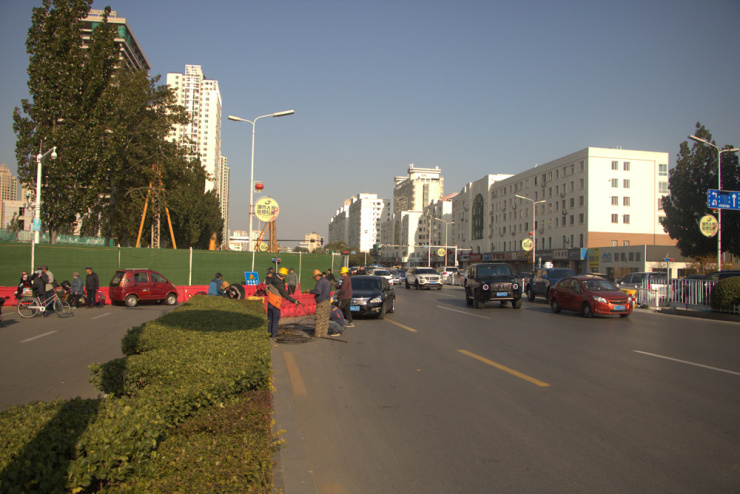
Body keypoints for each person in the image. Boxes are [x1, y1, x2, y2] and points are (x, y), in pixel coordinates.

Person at [267, 267, 301, 338]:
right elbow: (285, 294)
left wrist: (286, 270)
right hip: (275, 303)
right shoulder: (280, 283)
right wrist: (294, 301)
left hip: (270, 302)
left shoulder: (274, 278)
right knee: (276, 318)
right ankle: (274, 334)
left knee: (270, 318)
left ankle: (269, 332)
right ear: (283, 276)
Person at [308, 269, 332, 337]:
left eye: (315, 277)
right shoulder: (327, 281)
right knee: (325, 319)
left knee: (319, 318)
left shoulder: (320, 282)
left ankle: (318, 334)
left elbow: (318, 291)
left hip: (322, 302)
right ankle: (324, 333)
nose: (315, 279)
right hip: (328, 302)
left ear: (317, 276)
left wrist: (310, 291)